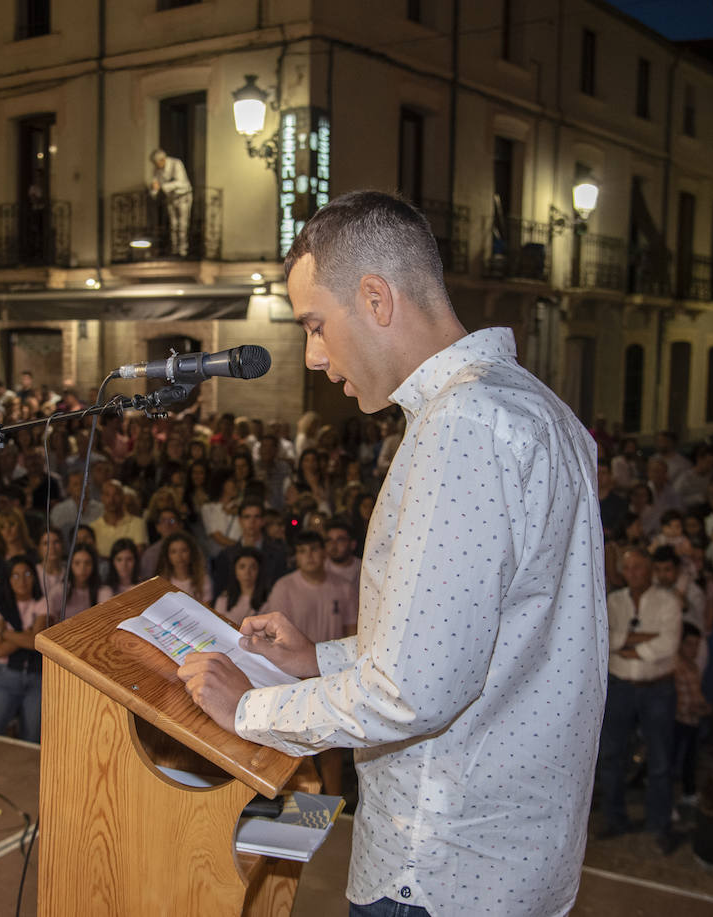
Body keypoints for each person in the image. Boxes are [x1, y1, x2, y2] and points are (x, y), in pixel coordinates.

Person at [175, 191, 607, 916]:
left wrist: (248, 708)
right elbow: (472, 641)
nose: (314, 356)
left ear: (375, 298)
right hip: (514, 859)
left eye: (315, 325)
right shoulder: (531, 405)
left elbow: (412, 692)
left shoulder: (464, 423)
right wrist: (322, 659)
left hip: (440, 866)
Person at [598, 545, 682, 853]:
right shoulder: (613, 600)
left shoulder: (668, 600)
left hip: (657, 687)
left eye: (639, 568)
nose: (634, 574)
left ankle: (659, 823)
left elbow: (669, 644)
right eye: (629, 568)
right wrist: (643, 638)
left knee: (659, 759)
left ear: (650, 571)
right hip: (620, 685)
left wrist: (624, 644)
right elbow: (604, 637)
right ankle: (614, 817)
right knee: (611, 755)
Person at [0, 556, 49, 741]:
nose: (22, 581)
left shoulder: (42, 603)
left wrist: (2, 632)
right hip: (5, 676)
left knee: (32, 737)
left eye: (27, 574)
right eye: (15, 576)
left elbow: (36, 642)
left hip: (36, 677)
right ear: (8, 580)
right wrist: (26, 634)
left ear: (34, 576)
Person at [672, 622, 711, 808]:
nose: (693, 649)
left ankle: (689, 792)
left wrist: (703, 706)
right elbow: (678, 703)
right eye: (689, 644)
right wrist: (697, 709)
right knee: (673, 762)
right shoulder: (676, 668)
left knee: (690, 759)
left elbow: (697, 694)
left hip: (693, 722)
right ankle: (668, 802)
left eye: (697, 645)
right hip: (679, 723)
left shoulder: (693, 667)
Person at [148, 148, 192, 258]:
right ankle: (174, 248)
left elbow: (180, 182)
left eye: (157, 162)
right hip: (171, 199)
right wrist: (154, 190)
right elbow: (155, 186)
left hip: (183, 197)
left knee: (182, 224)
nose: (156, 165)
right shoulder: (157, 171)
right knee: (173, 224)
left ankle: (183, 250)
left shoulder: (176, 164)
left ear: (162, 160)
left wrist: (163, 187)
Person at [213, 546, 269, 626]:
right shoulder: (223, 599)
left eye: (253, 567)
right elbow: (217, 626)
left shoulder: (269, 599)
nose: (247, 572)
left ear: (259, 571)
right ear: (235, 570)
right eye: (242, 567)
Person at [155, 531, 213, 605]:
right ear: (167, 556)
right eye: (173, 552)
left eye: (184, 550)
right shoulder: (161, 583)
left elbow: (206, 610)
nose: (179, 556)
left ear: (191, 553)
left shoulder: (203, 580)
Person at [63, 543, 112, 619]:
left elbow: (107, 618)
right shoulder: (60, 591)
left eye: (87, 563)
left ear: (94, 566)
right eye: (77, 563)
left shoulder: (104, 591)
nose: (82, 568)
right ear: (70, 565)